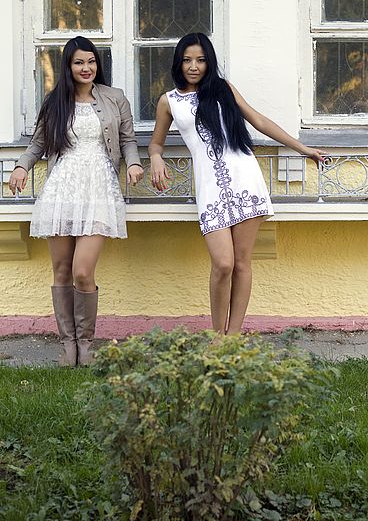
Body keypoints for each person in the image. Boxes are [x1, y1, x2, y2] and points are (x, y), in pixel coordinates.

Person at [148, 32, 327, 335]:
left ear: (209, 62)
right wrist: (155, 158)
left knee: (242, 263)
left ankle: (231, 340)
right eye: (188, 59)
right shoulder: (169, 101)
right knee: (223, 264)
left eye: (201, 60)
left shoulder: (223, 89)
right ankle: (218, 337)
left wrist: (304, 149)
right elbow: (156, 143)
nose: (194, 66)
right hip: (210, 189)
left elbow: (260, 122)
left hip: (246, 180)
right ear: (178, 62)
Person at [8, 36, 144, 366]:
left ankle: (86, 342)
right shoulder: (55, 101)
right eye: (79, 62)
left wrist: (136, 162)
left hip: (99, 187)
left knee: (83, 271)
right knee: (61, 270)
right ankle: (68, 344)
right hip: (63, 188)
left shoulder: (115, 99)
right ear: (68, 66)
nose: (86, 68)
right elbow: (37, 144)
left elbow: (128, 140)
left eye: (92, 62)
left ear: (98, 64)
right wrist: (21, 166)